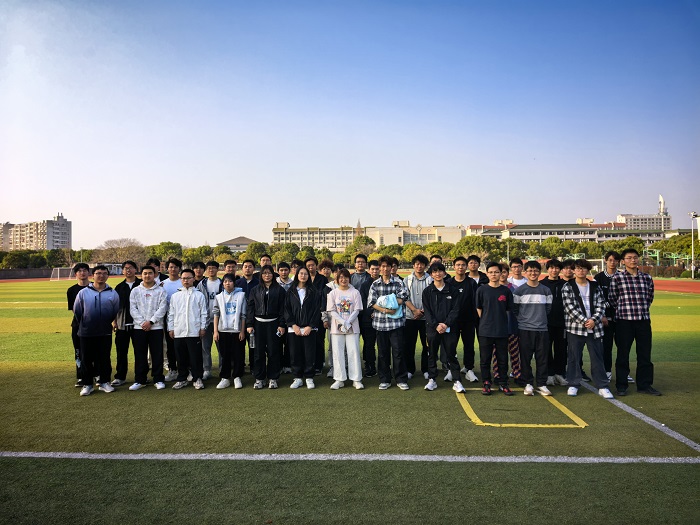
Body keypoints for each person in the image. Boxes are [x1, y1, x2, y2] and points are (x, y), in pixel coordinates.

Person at [609, 249, 660, 396]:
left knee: (645, 354)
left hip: (643, 321)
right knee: (623, 354)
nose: (633, 260)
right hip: (624, 321)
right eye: (629, 258)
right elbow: (612, 299)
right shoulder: (617, 278)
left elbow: (649, 298)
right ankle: (621, 386)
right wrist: (624, 310)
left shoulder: (646, 278)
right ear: (623, 261)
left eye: (635, 257)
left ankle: (645, 385)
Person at [561, 259, 613, 399]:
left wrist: (594, 320)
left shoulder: (595, 286)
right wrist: (585, 321)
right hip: (576, 328)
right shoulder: (568, 286)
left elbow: (601, 305)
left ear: (588, 270)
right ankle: (573, 384)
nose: (580, 271)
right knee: (574, 357)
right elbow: (569, 308)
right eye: (577, 268)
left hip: (595, 328)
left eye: (583, 268)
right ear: (574, 270)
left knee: (597, 358)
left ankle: (602, 385)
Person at [73, 265, 120, 396]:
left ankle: (104, 382)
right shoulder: (83, 293)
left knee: (104, 358)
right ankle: (87, 384)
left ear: (108, 276)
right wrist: (87, 322)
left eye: (104, 273)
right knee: (86, 359)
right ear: (93, 275)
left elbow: (114, 311)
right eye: (98, 273)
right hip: (86, 332)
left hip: (104, 331)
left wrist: (105, 322)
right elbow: (77, 311)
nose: (101, 276)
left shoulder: (112, 293)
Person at [368, 255, 409, 390]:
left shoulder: (398, 282)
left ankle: (401, 379)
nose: (385, 269)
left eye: (388, 266)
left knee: (398, 352)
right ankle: (385, 379)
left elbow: (402, 298)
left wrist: (385, 302)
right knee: (382, 353)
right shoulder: (375, 284)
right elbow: (372, 302)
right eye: (383, 266)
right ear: (380, 268)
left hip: (396, 324)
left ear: (392, 268)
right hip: (380, 324)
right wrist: (386, 309)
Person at [422, 262, 464, 393]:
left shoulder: (453, 290)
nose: (438, 274)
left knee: (451, 354)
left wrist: (446, 324)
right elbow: (427, 312)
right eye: (434, 271)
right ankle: (432, 380)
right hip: (433, 329)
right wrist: (436, 325)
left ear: (445, 273)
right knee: (432, 354)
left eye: (440, 271)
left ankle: (457, 381)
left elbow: (455, 310)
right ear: (431, 274)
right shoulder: (427, 291)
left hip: (449, 328)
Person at [512, 261, 553, 396]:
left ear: (540, 272)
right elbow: (515, 309)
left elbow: (548, 309)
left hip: (542, 329)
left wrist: (539, 319)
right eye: (530, 270)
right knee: (525, 358)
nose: (533, 273)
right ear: (525, 272)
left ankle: (541, 383)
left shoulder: (546, 290)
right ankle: (528, 383)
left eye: (535, 270)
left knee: (542, 358)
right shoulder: (519, 291)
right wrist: (524, 320)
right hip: (525, 329)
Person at [476, 262, 514, 396]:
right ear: (487, 274)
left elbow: (508, 310)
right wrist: (487, 321)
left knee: (502, 359)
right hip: (485, 330)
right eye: (491, 272)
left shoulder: (506, 291)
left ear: (501, 273)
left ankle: (503, 383)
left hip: (501, 331)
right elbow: (479, 309)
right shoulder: (481, 290)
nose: (494, 274)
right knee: (485, 359)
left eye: (496, 272)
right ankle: (486, 382)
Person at [247, 265, 287, 389]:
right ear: (261, 275)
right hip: (258, 324)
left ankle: (273, 378)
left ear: (273, 275)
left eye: (269, 273)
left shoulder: (280, 290)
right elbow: (250, 308)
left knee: (273, 351)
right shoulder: (255, 290)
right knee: (258, 352)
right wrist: (249, 324)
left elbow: (283, 309)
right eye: (264, 273)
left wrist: (281, 324)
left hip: (274, 324)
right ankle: (259, 378)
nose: (267, 275)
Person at [128, 265, 168, 390]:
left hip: (156, 328)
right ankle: (140, 380)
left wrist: (151, 322)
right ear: (141, 275)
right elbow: (133, 309)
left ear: (154, 274)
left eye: (150, 273)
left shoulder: (161, 291)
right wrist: (142, 323)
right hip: (139, 328)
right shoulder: (135, 291)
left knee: (157, 354)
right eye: (145, 273)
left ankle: (158, 379)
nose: (147, 275)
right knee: (140, 354)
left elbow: (162, 308)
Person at [168, 269, 208, 390]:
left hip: (194, 331)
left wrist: (203, 327)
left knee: (195, 357)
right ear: (181, 280)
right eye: (183, 278)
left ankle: (197, 378)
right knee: (180, 357)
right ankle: (182, 379)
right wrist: (171, 328)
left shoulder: (199, 295)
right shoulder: (175, 296)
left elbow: (204, 313)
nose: (186, 280)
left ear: (193, 279)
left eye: (188, 278)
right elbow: (171, 314)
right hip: (179, 331)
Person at [327, 268, 364, 390]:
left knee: (353, 352)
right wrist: (343, 322)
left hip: (352, 327)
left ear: (349, 278)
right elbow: (332, 311)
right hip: (337, 328)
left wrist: (348, 322)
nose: (343, 280)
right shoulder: (333, 293)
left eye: (346, 277)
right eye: (341, 277)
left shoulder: (355, 292)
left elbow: (357, 310)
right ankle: (339, 379)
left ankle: (356, 379)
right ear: (337, 279)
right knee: (338, 353)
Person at [285, 266, 320, 389]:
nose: (303, 276)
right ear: (297, 275)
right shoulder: (291, 291)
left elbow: (317, 310)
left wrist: (310, 326)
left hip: (309, 328)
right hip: (294, 328)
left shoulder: (313, 291)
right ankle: (298, 377)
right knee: (295, 353)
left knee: (309, 353)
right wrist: (293, 325)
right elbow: (287, 309)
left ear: (308, 276)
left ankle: (309, 377)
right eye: (301, 273)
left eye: (305, 274)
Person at [212, 273, 247, 389]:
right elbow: (216, 314)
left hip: (237, 331)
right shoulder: (218, 297)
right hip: (223, 331)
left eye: (230, 281)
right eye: (225, 281)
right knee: (224, 355)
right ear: (223, 284)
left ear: (234, 283)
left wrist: (242, 331)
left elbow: (243, 315)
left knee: (238, 355)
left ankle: (237, 377)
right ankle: (225, 378)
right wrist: (215, 331)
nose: (228, 283)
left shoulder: (241, 295)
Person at [111, 260, 141, 387]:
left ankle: (141, 376)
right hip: (122, 325)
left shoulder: (142, 284)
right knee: (121, 352)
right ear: (123, 271)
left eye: (131, 268)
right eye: (126, 268)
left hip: (139, 325)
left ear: (135, 269)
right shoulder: (119, 287)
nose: (128, 270)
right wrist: (114, 321)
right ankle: (120, 376)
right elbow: (114, 306)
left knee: (140, 352)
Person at [594, 251, 623, 381]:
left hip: (621, 318)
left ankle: (623, 372)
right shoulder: (598, 277)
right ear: (605, 260)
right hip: (605, 319)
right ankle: (607, 371)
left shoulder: (623, 276)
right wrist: (602, 315)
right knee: (606, 346)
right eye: (610, 260)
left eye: (615, 260)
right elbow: (596, 298)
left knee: (623, 347)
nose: (613, 262)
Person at [540, 259, 568, 387]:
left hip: (562, 323)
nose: (554, 270)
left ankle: (559, 374)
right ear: (547, 269)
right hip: (545, 323)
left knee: (561, 349)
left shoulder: (565, 285)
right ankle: (549, 374)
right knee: (546, 349)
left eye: (557, 268)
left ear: (560, 270)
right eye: (551, 268)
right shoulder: (542, 284)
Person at [451, 256, 479, 382]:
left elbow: (476, 301)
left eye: (463, 265)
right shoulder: (449, 283)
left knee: (469, 346)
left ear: (466, 267)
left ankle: (469, 369)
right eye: (458, 265)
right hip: (453, 321)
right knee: (451, 346)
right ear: (454, 267)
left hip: (469, 320)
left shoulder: (471, 283)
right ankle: (452, 369)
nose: (460, 267)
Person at [403, 254, 431, 380]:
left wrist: (423, 312)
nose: (419, 266)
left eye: (422, 264)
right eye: (417, 264)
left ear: (425, 266)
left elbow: (432, 298)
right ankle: (410, 369)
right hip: (410, 318)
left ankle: (426, 369)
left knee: (427, 345)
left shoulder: (430, 280)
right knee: (409, 345)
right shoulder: (407, 280)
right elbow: (404, 297)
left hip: (426, 319)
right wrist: (415, 310)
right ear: (413, 265)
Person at [196, 261, 224, 380]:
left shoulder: (223, 283)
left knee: (221, 347)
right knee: (205, 346)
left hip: (221, 320)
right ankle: (207, 369)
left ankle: (223, 369)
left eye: (213, 268)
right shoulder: (201, 284)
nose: (211, 270)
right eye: (209, 268)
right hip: (206, 321)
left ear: (218, 269)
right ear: (206, 270)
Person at [67, 262, 91, 387]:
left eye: (84, 270)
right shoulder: (71, 290)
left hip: (94, 324)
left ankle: (96, 374)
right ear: (76, 274)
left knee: (95, 350)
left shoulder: (94, 287)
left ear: (88, 272)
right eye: (79, 271)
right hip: (78, 325)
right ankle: (81, 376)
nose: (82, 273)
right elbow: (74, 309)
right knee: (79, 351)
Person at [306, 256, 328, 374]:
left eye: (312, 265)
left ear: (316, 266)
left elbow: (325, 297)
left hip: (319, 314)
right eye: (308, 265)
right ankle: (308, 364)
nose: (310, 267)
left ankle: (318, 365)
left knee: (319, 340)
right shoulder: (303, 278)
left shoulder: (323, 279)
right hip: (306, 315)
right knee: (308, 341)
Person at [162, 258, 183, 382]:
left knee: (183, 345)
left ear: (179, 268)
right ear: (167, 268)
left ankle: (184, 369)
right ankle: (172, 370)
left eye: (175, 267)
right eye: (170, 267)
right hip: (168, 318)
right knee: (170, 346)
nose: (173, 269)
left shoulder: (183, 282)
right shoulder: (162, 284)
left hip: (183, 318)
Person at [359, 259, 379, 377]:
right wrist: (372, 312)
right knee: (369, 344)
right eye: (373, 269)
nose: (375, 271)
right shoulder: (365, 285)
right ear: (369, 270)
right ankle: (369, 365)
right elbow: (363, 301)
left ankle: (384, 366)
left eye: (377, 269)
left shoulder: (385, 283)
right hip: (368, 319)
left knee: (383, 344)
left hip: (383, 318)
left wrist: (378, 312)